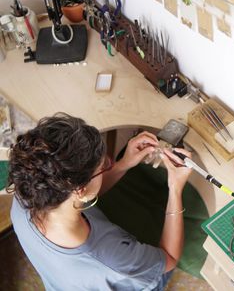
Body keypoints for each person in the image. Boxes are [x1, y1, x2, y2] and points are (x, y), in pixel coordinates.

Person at [7, 113, 192, 291]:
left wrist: (124, 163)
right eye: (103, 167)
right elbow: (170, 258)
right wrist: (175, 188)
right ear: (81, 190)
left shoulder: (26, 194)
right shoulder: (112, 256)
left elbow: (79, 191)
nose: (107, 167)